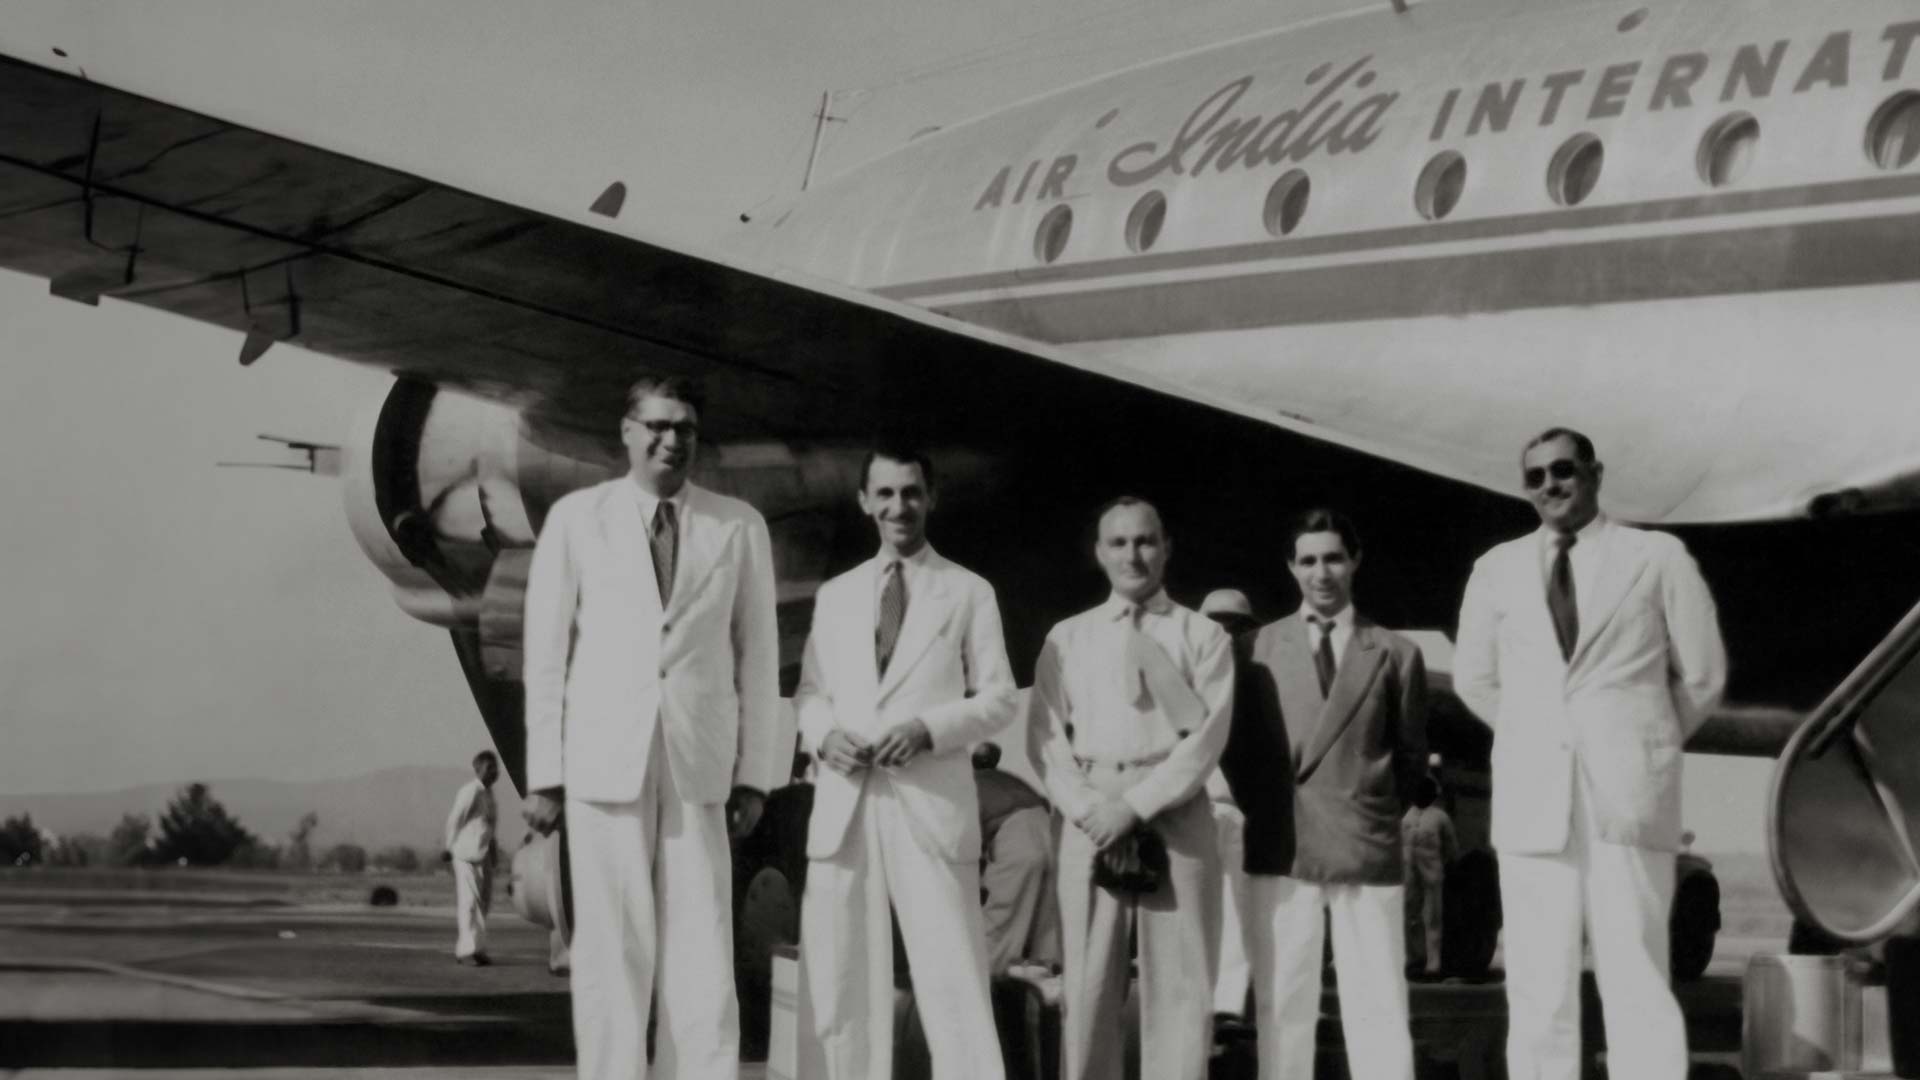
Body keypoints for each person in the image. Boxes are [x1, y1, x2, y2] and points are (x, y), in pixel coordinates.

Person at [522, 374, 786, 1080]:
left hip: (698, 760)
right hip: (603, 761)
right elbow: (545, 653)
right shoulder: (577, 519)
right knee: (612, 949)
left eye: (686, 430)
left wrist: (754, 774)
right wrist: (545, 773)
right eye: (658, 427)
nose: (672, 441)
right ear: (627, 432)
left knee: (703, 944)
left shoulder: (739, 526)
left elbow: (759, 658)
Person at [1455, 427, 1727, 1080]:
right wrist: (1537, 739)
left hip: (1626, 799)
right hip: (1533, 803)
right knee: (1537, 986)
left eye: (1563, 469)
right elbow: (1475, 679)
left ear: (1595, 474)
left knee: (1637, 976)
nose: (1550, 484)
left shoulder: (1656, 556)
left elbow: (1703, 675)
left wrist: (1644, 742)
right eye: (1535, 476)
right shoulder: (1496, 569)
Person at [795, 443, 1018, 1080]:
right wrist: (824, 736)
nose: (900, 506)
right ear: (864, 501)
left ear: (932, 498)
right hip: (846, 805)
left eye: (912, 492)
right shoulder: (836, 595)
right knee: (841, 984)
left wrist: (929, 729)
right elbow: (811, 692)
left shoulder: (968, 591)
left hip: (930, 806)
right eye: (887, 494)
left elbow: (999, 698)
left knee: (954, 981)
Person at [1027, 496, 1234, 1080]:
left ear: (1166, 548)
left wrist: (1137, 807)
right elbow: (1044, 738)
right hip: (1090, 813)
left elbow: (1207, 738)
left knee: (1182, 986)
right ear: (1099, 552)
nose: (1133, 555)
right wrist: (1093, 810)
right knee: (1087, 987)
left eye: (1145, 541)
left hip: (1176, 810)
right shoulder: (1068, 637)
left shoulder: (1204, 635)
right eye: (1118, 542)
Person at [1221, 508, 1427, 1080]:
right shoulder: (1253, 650)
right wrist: (1271, 807)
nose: (1322, 573)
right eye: (1308, 560)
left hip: (1365, 841)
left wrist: (1368, 803)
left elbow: (1410, 756)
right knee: (1283, 1003)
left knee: (1379, 1002)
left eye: (1334, 558)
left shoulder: (1396, 653)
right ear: (1291, 567)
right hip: (1281, 844)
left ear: (1355, 560)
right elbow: (1236, 753)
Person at [1199, 588, 1260, 1021]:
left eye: (1233, 625)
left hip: (1237, 807)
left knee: (1236, 906)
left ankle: (1227, 1002)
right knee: (1188, 904)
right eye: (1216, 623)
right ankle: (1194, 998)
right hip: (1191, 803)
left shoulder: (1259, 681)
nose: (1224, 632)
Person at [972, 742, 1060, 974]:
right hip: (1050, 833)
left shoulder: (969, 784)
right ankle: (1043, 984)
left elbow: (966, 844)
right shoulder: (1010, 779)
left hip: (1017, 837)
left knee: (1001, 923)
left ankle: (986, 985)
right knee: (1045, 928)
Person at [445, 749, 500, 966]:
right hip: (465, 854)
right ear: (478, 769)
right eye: (489, 767)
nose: (494, 771)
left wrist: (493, 852)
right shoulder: (470, 791)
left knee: (483, 903)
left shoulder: (489, 795)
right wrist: (448, 847)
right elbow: (455, 819)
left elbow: (489, 827)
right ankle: (466, 951)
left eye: (496, 768)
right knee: (469, 901)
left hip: (483, 854)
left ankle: (477, 948)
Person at [1401, 774, 1457, 977]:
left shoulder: (1440, 817)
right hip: (1409, 874)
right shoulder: (1407, 817)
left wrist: (1445, 865)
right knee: (1410, 915)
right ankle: (1414, 958)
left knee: (1432, 917)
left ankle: (1433, 963)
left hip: (1432, 873)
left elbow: (1451, 847)